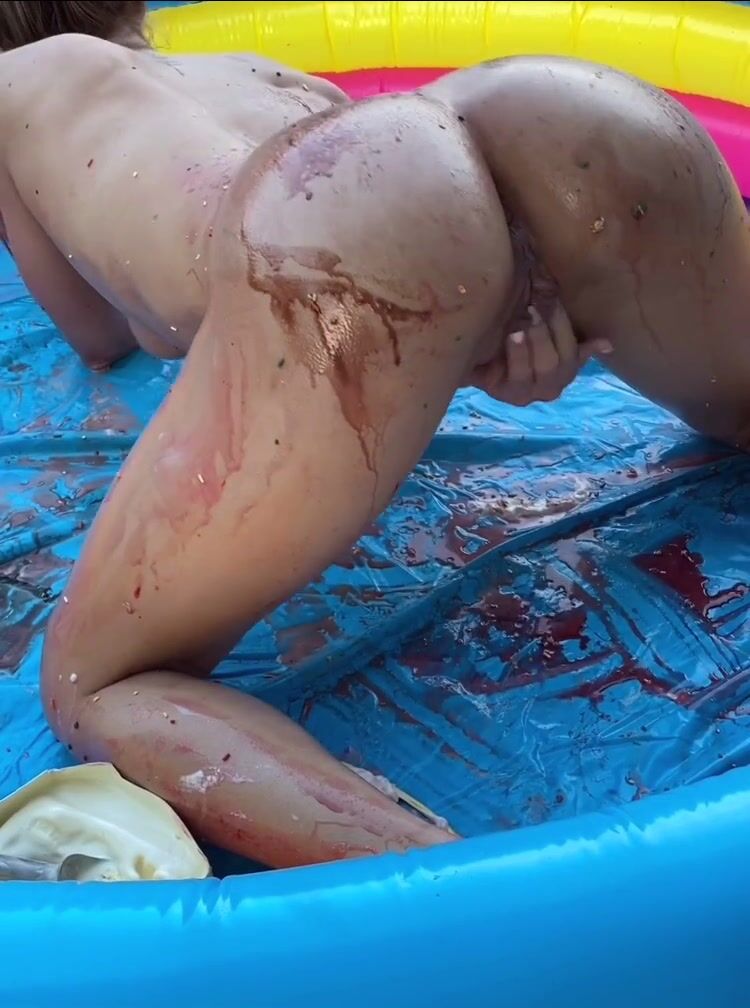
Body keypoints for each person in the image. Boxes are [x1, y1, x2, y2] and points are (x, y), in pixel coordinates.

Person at [1, 2, 749, 867]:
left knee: (94, 683)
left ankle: (478, 904)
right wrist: (497, 329)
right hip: (550, 113)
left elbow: (97, 335)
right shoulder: (259, 71)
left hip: (340, 225)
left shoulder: (17, 83)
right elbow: (435, 210)